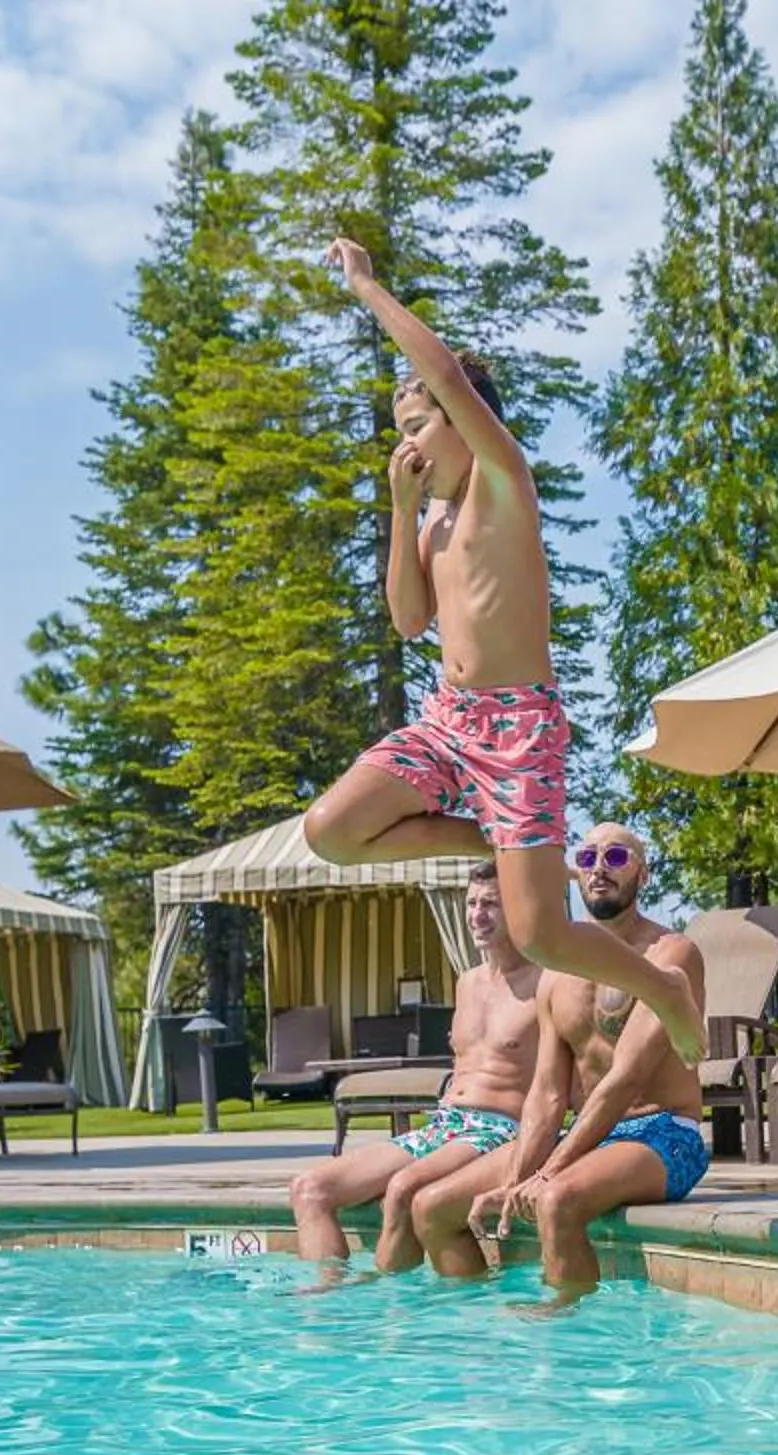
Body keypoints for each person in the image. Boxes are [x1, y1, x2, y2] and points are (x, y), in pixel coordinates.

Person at [304, 236, 705, 1067]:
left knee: (542, 933)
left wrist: (368, 289)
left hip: (520, 729)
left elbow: (446, 376)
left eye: (416, 426)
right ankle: (484, 839)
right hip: (451, 723)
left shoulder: (501, 480)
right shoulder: (437, 517)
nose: (405, 445)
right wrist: (402, 509)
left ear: (466, 424)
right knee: (331, 831)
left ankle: (660, 986)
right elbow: (409, 622)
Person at [412, 825, 709, 1297]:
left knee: (555, 1201)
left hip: (664, 1134)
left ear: (643, 875)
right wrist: (513, 1180)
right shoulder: (556, 975)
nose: (599, 870)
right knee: (432, 1207)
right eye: (587, 858)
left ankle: (570, 1341)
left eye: (616, 857)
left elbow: (626, 1078)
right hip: (592, 1139)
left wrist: (547, 1171)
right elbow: (548, 1094)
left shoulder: (670, 955)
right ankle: (478, 1324)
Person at [287, 862, 543, 1273]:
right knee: (309, 1189)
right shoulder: (467, 982)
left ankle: (390, 1315)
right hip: (444, 1124)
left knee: (404, 1188)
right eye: (472, 903)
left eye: (491, 904)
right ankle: (324, 1311)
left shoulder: (547, 981)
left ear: (519, 907)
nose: (478, 914)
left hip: (499, 1130)